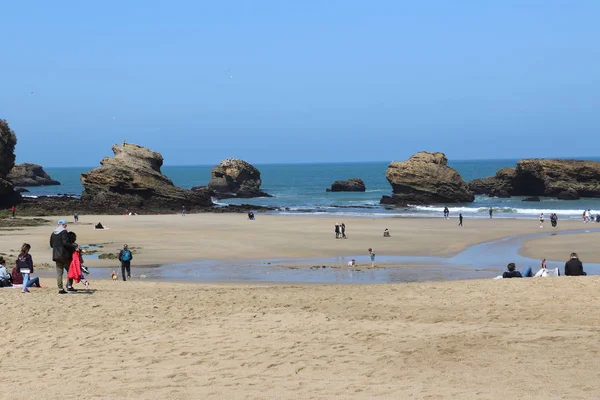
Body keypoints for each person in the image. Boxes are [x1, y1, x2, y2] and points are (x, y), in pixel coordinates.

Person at [50, 220, 77, 294]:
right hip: (64, 255)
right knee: (70, 271)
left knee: (59, 273)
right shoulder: (64, 232)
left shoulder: (53, 233)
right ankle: (69, 286)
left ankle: (60, 288)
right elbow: (65, 243)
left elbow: (51, 245)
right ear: (63, 225)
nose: (66, 226)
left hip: (56, 255)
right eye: (65, 225)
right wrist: (74, 246)